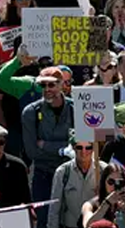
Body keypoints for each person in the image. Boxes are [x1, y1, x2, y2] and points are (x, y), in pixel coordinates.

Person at [23, 67, 75, 223]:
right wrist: (63, 150)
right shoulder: (30, 112)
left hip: (71, 174)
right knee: (44, 221)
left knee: (72, 220)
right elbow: (32, 151)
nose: (47, 89)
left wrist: (45, 145)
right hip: (43, 175)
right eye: (43, 85)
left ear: (62, 84)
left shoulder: (75, 108)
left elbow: (81, 144)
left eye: (51, 85)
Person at [50, 135, 109, 228]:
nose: (84, 152)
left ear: (93, 149)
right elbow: (54, 208)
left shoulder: (104, 170)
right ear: (74, 148)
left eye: (88, 147)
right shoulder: (62, 172)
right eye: (79, 147)